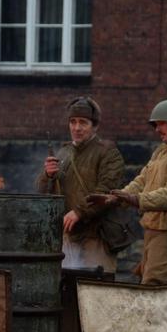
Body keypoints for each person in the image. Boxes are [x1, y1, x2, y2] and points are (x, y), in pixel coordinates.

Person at [87, 99, 167, 284]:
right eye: (155, 125)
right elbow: (143, 180)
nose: (157, 129)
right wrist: (115, 198)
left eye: (161, 124)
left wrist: (135, 199)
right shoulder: (163, 150)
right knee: (148, 281)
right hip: (153, 227)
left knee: (155, 286)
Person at [36, 96, 126, 273]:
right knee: (67, 291)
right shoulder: (63, 153)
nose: (76, 128)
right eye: (73, 122)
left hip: (97, 236)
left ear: (95, 126)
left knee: (96, 292)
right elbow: (43, 194)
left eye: (83, 122)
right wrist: (47, 175)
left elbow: (106, 191)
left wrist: (79, 211)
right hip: (68, 237)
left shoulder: (109, 153)